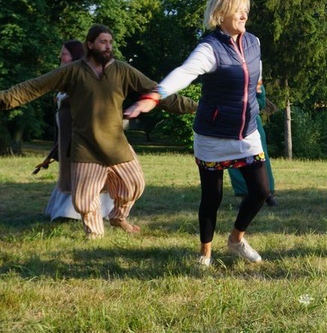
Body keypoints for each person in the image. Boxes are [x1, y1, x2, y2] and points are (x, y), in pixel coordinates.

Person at [0, 25, 196, 238]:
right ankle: (94, 232)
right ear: (90, 44)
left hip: (115, 144)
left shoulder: (122, 70)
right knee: (83, 200)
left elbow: (156, 92)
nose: (108, 46)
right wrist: (4, 99)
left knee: (134, 185)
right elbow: (33, 87)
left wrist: (197, 107)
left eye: (110, 42)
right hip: (85, 146)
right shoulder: (73, 71)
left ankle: (118, 216)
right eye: (103, 42)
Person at [124, 0, 269, 268]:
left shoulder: (254, 42)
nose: (244, 14)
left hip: (246, 132)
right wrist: (154, 96)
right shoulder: (209, 48)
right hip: (213, 134)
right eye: (237, 9)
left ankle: (236, 239)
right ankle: (205, 253)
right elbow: (185, 72)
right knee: (212, 196)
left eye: (245, 9)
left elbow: (256, 73)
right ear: (220, 15)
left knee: (261, 190)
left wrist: (257, 94)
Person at [34, 40, 115, 221]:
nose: (61, 57)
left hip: (83, 140)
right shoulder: (67, 79)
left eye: (64, 53)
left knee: (83, 175)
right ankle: (66, 209)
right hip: (67, 140)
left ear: (75, 56)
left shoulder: (85, 81)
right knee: (68, 174)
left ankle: (76, 212)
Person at [229, 79, 277, 206]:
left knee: (259, 157)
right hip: (231, 123)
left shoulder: (255, 78)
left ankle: (267, 194)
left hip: (252, 122)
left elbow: (261, 100)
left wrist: (245, 104)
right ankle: (244, 194)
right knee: (235, 158)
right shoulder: (223, 76)